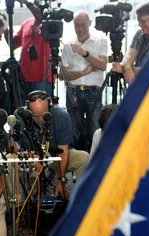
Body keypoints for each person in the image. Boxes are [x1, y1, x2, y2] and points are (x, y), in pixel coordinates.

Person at [15, 90, 89, 199]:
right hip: (30, 160)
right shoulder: (20, 115)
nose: (40, 120)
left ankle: (80, 201)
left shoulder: (62, 116)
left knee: (84, 157)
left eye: (43, 116)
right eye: (36, 116)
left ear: (50, 106)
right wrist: (28, 155)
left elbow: (63, 151)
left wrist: (61, 180)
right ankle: (17, 202)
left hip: (56, 158)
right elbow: (13, 146)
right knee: (9, 159)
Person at [61, 11, 108, 150]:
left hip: (93, 92)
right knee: (74, 132)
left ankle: (97, 164)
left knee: (96, 129)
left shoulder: (101, 41)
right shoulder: (68, 45)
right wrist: (83, 72)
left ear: (90, 24)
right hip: (73, 93)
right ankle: (78, 165)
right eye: (77, 26)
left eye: (83, 25)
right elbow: (63, 75)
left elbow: (103, 65)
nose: (80, 29)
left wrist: (84, 53)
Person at [111, 1, 149, 84]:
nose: (139, 24)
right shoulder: (139, 34)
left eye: (143, 21)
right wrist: (127, 67)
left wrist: (126, 69)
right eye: (138, 21)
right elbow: (129, 54)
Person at [11, 0, 53, 96]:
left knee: (43, 110)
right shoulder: (26, 23)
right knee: (26, 110)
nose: (36, 5)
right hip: (24, 77)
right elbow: (13, 45)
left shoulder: (47, 22)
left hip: (43, 78)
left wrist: (26, 2)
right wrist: (4, 29)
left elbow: (39, 16)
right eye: (35, 2)